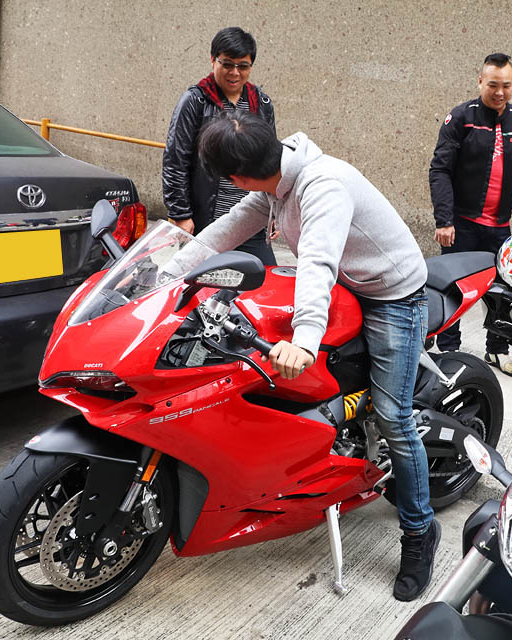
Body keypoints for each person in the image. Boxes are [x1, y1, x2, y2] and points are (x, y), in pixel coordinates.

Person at [170, 110, 439, 601]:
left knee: (396, 417)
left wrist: (305, 339)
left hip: (392, 295)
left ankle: (420, 533)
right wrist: (166, 274)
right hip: (350, 285)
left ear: (239, 174)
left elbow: (317, 261)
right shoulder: (276, 181)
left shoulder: (322, 187)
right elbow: (226, 228)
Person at [429, 52, 512, 377]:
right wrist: (444, 220)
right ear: (481, 81)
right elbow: (440, 170)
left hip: (500, 228)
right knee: (455, 290)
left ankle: (498, 349)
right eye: (493, 85)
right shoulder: (462, 118)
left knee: (505, 292)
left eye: (506, 85)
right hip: (460, 225)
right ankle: (449, 350)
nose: (500, 92)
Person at [161, 26, 277, 265]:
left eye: (243, 66)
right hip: (208, 221)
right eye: (227, 64)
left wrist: (277, 211)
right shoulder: (194, 101)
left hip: (251, 218)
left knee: (263, 285)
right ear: (213, 60)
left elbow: (271, 162)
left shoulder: (262, 104)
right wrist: (181, 214)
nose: (234, 73)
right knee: (203, 287)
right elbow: (175, 160)